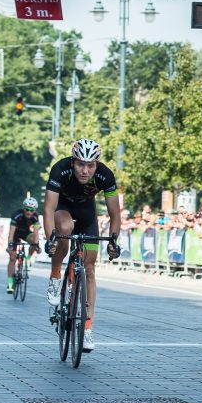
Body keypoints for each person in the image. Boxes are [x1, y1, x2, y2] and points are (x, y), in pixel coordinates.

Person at [43, 139, 121, 353]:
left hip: (87, 214)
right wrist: (51, 237)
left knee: (90, 269)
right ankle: (56, 274)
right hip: (63, 209)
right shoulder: (60, 169)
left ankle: (87, 328)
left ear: (97, 164)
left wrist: (113, 241)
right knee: (65, 228)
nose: (85, 170)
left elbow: (115, 213)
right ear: (73, 161)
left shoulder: (106, 175)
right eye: (80, 164)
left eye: (90, 165)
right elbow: (49, 209)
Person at [5, 196, 40, 293]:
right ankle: (10, 283)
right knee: (12, 258)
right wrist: (10, 245)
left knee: (34, 240)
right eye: (27, 209)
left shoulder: (35, 216)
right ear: (23, 208)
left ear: (34, 210)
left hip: (26, 234)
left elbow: (36, 232)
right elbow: (11, 233)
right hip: (15, 235)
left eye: (32, 210)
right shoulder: (16, 214)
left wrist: (36, 244)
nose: (29, 212)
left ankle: (28, 258)